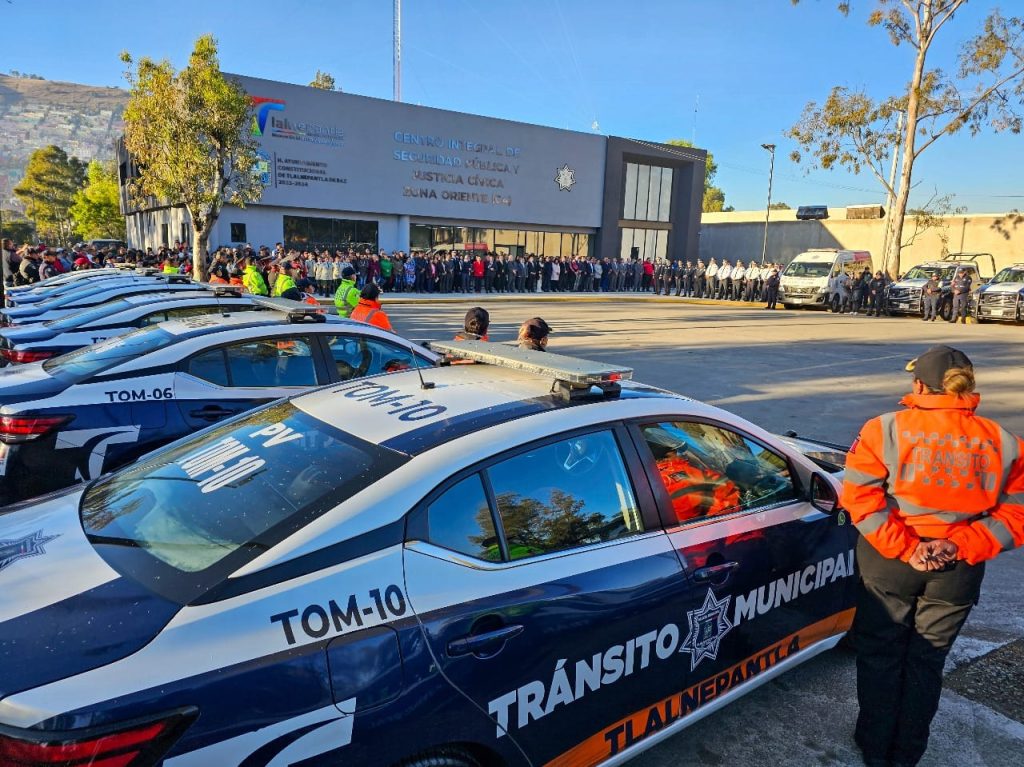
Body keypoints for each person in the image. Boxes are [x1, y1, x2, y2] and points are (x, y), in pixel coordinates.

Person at [841, 345, 1024, 767]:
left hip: (889, 562)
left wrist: (908, 547)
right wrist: (960, 544)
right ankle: (907, 753)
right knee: (926, 662)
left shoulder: (883, 429)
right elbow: (1017, 513)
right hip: (956, 570)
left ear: (919, 385)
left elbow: (861, 500)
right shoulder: (1003, 442)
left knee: (880, 655)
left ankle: (874, 746)